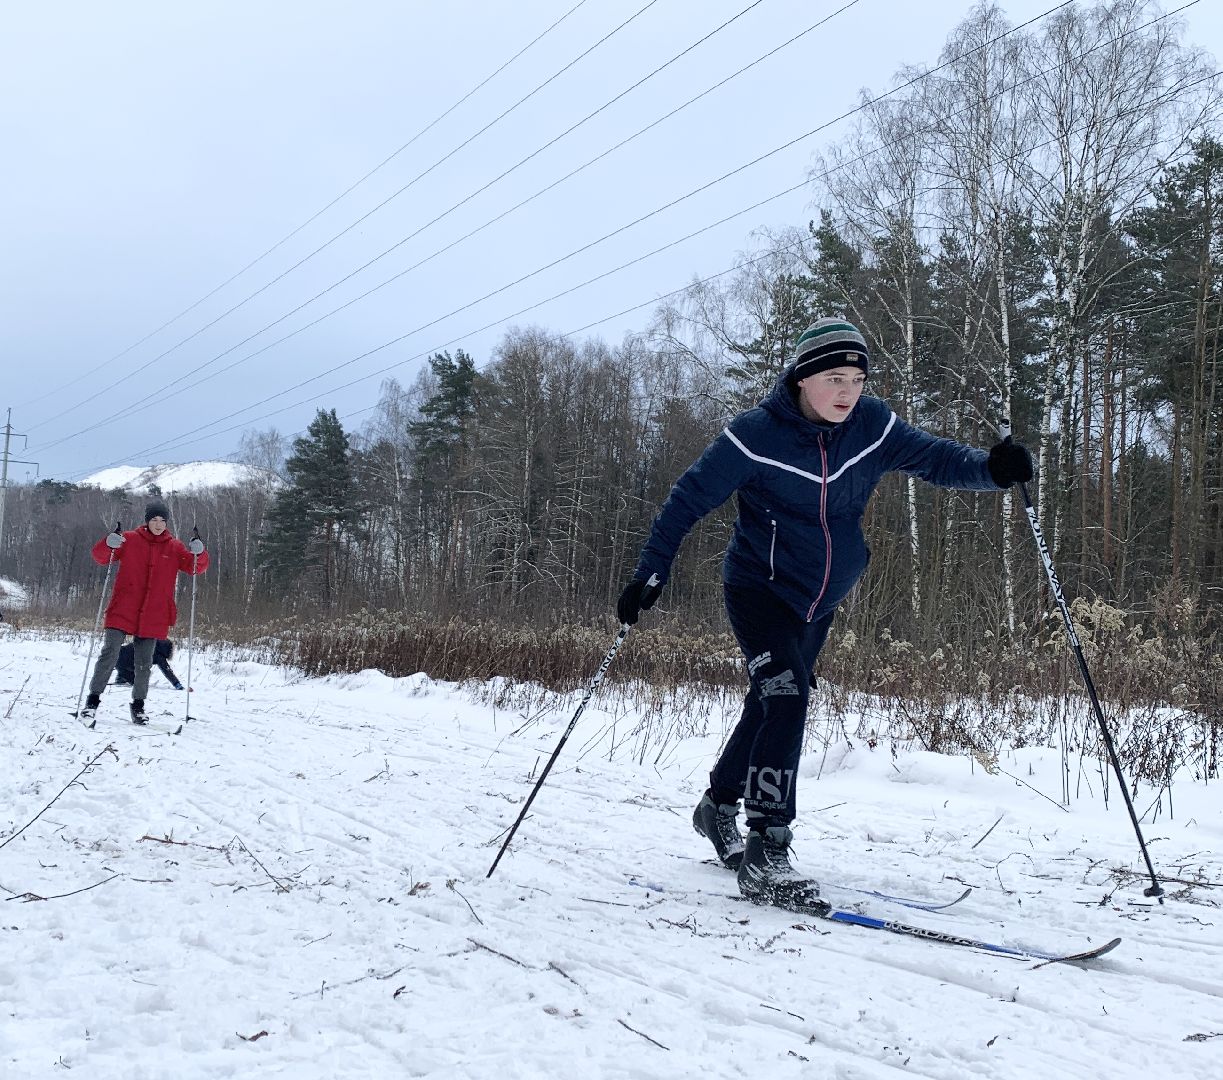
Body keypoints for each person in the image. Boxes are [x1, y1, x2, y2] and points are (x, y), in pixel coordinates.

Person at [616, 318, 1033, 912]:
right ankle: (767, 846)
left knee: (769, 703)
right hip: (759, 589)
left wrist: (992, 470)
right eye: (835, 378)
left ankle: (717, 807)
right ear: (802, 379)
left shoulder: (871, 425)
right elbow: (688, 499)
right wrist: (651, 571)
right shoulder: (754, 436)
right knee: (785, 696)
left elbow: (934, 458)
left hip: (821, 600)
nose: (847, 392)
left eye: (858, 380)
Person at [80, 501, 209, 724]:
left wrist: (200, 552)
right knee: (109, 652)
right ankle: (92, 702)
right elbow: (102, 557)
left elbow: (195, 567)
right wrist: (108, 544)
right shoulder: (129, 539)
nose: (158, 524)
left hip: (154, 613)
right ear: (147, 521)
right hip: (123, 607)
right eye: (154, 520)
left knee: (144, 661)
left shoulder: (175, 547)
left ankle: (138, 706)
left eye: (162, 520)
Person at [115, 638, 186, 691]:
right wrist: (176, 683)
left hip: (117, 656)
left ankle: (122, 676)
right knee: (139, 680)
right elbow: (167, 670)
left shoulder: (149, 642)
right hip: (125, 663)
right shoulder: (158, 655)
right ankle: (124, 676)